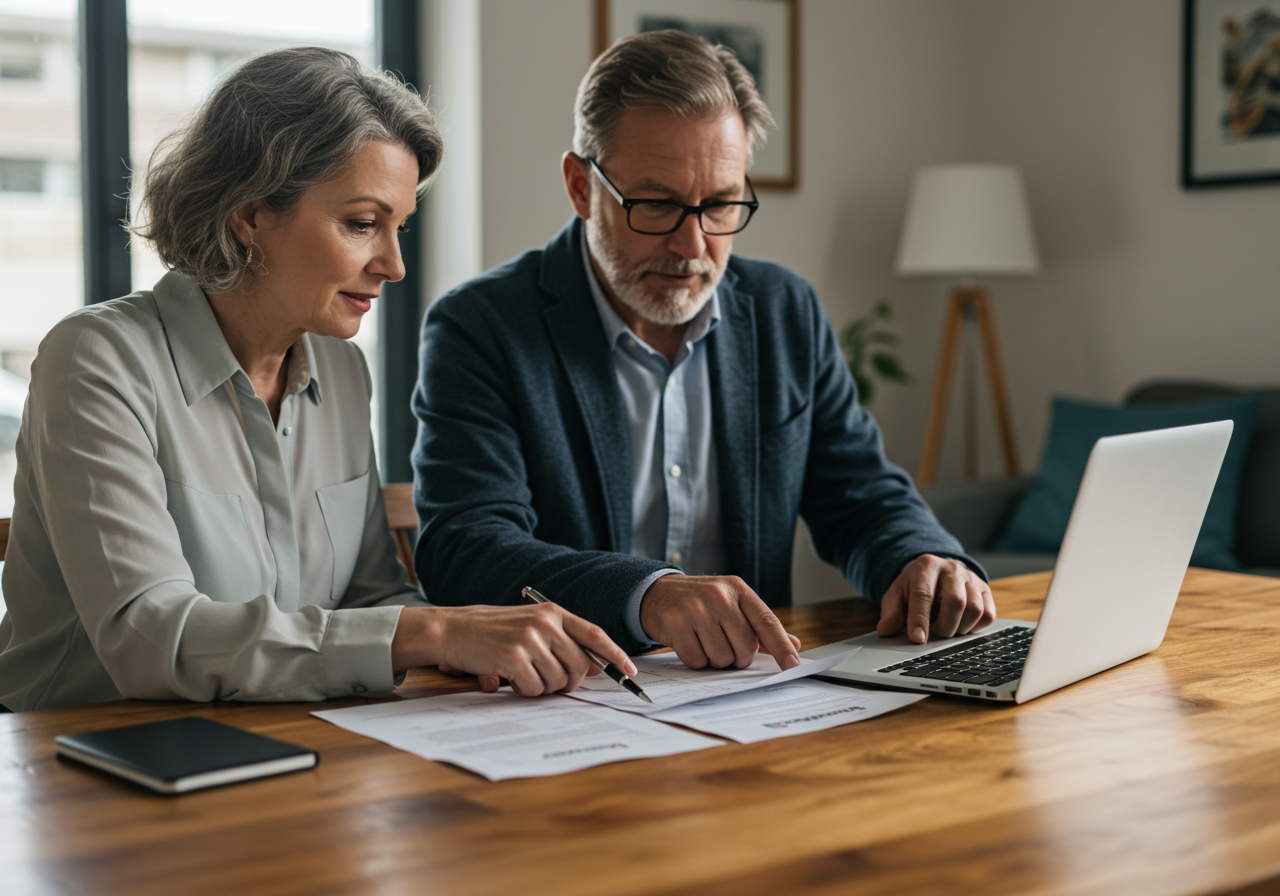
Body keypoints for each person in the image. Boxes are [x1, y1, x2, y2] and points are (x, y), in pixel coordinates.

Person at [0, 47, 634, 713]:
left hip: (285, 738)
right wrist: (433, 630)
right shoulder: (97, 360)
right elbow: (152, 636)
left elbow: (368, 598)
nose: (393, 265)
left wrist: (476, 642)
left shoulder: (339, 366)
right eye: (363, 224)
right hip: (77, 759)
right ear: (248, 216)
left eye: (399, 228)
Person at [411, 30, 996, 671]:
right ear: (581, 187)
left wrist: (921, 558)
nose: (692, 245)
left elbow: (859, 492)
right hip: (570, 697)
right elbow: (466, 549)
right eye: (657, 204)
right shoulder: (482, 326)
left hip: (753, 697)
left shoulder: (784, 311)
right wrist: (646, 594)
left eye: (719, 205)